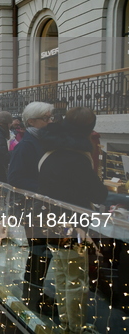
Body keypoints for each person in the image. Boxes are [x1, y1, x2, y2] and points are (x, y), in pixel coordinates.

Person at [38, 107, 108, 334]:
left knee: (62, 275)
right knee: (76, 280)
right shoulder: (76, 157)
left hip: (51, 222)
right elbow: (97, 194)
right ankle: (75, 328)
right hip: (74, 226)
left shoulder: (50, 150)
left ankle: (67, 323)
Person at [7, 102, 54, 314]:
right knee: (39, 252)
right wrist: (46, 188)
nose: (50, 121)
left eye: (50, 117)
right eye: (45, 118)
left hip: (39, 207)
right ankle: (33, 296)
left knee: (41, 252)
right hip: (31, 208)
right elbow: (15, 177)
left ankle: (34, 293)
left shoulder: (41, 141)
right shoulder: (27, 145)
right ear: (32, 121)